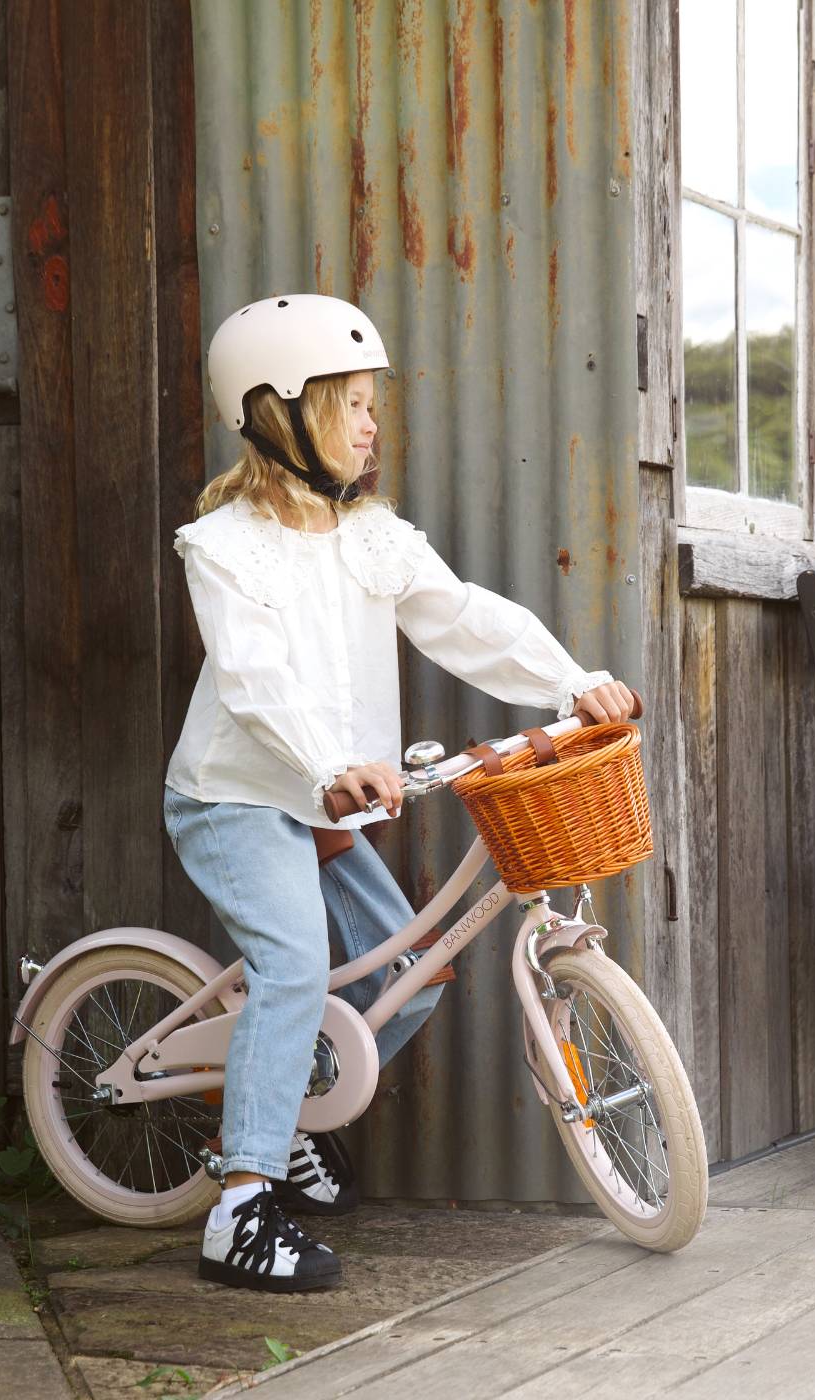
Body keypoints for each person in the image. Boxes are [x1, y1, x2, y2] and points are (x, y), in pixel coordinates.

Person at [164, 293, 638, 1292]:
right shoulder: (223, 548)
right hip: (241, 794)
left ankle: (279, 1106)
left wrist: (569, 680)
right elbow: (252, 679)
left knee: (407, 977)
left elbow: (463, 617)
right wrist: (328, 764)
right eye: (350, 402)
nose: (372, 421)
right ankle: (240, 1205)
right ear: (280, 414)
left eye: (372, 401)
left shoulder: (371, 536)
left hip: (329, 805)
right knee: (294, 966)